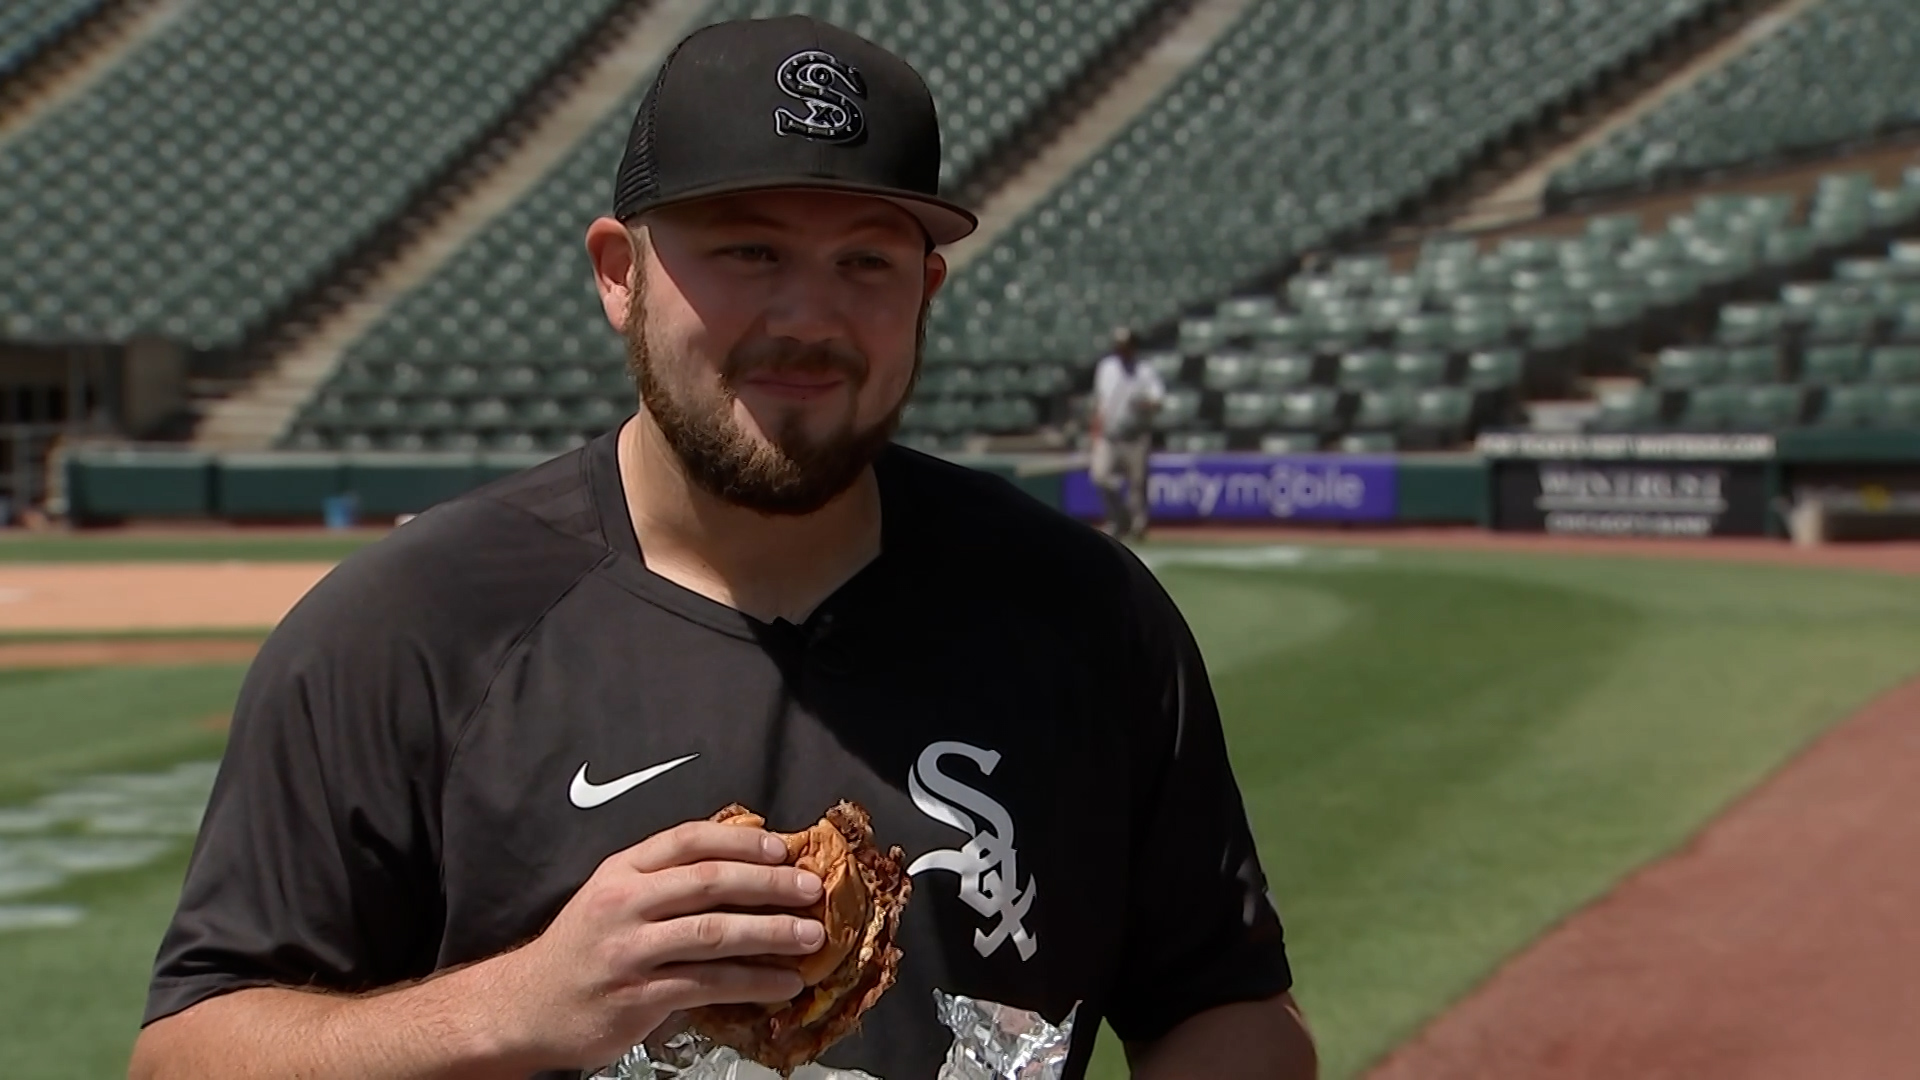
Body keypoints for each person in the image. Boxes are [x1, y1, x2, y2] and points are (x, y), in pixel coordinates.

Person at [129, 16, 1315, 1080]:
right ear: (618, 275)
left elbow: (1227, 1012)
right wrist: (520, 1006)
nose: (807, 316)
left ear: (926, 290)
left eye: (865, 261)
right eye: (748, 251)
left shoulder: (1086, 617)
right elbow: (189, 1052)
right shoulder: (413, 628)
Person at [1088, 327, 1164, 542]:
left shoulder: (1144, 371)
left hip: (1135, 436)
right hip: (1109, 435)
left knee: (1137, 484)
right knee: (1100, 476)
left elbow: (1158, 401)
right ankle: (1118, 520)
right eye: (1118, 347)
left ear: (1133, 347)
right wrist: (1094, 431)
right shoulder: (1106, 367)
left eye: (1125, 347)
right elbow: (1099, 401)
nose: (1121, 351)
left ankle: (1138, 525)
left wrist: (1144, 404)